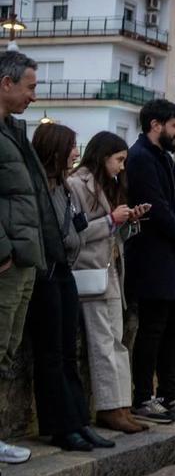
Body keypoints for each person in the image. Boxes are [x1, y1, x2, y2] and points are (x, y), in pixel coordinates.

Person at [26, 123, 116, 452]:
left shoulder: (62, 188)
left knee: (67, 353)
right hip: (47, 273)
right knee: (51, 354)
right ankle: (61, 426)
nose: (76, 152)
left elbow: (76, 228)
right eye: (71, 146)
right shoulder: (41, 189)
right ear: (55, 150)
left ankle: (78, 421)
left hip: (65, 272)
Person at [124, 99, 175, 424]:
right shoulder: (141, 157)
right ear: (155, 125)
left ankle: (168, 394)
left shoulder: (165, 158)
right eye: (174, 125)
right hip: (152, 256)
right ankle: (143, 397)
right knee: (153, 328)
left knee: (173, 327)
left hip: (170, 255)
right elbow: (155, 206)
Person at [66, 131, 149, 434]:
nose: (122, 167)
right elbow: (77, 233)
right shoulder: (77, 184)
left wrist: (129, 222)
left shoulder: (108, 185)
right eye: (119, 160)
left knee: (118, 341)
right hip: (92, 272)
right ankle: (109, 407)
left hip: (112, 270)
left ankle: (121, 405)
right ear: (103, 156)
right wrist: (112, 220)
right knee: (104, 342)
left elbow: (115, 235)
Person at [0, 51, 47, 465]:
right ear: (6, 84)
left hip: (23, 257)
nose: (34, 95)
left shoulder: (13, 131)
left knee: (8, 349)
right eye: (30, 87)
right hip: (8, 260)